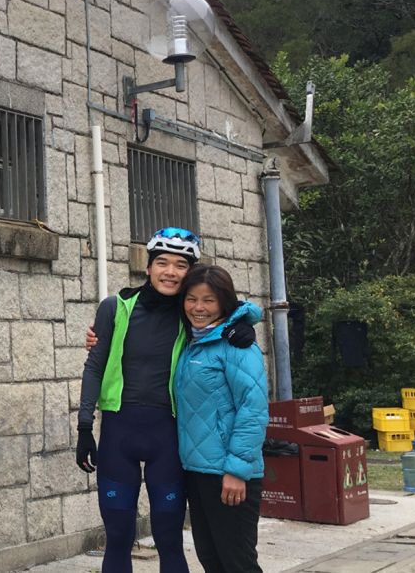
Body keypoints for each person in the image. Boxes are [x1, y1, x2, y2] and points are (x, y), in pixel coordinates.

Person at [76, 227, 255, 573]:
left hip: (169, 438)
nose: (170, 272)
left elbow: (230, 307)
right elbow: (94, 368)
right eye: (162, 262)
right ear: (148, 266)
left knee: (170, 541)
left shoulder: (192, 315)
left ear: (190, 274)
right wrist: (84, 426)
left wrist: (245, 322)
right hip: (117, 434)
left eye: (180, 265)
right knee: (117, 539)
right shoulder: (115, 308)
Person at [174, 265, 268, 572]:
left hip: (229, 474)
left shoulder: (237, 346)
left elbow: (253, 410)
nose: (198, 307)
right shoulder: (191, 342)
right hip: (198, 471)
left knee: (238, 563)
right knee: (212, 560)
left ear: (223, 303)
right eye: (191, 298)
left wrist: (237, 471)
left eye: (209, 300)